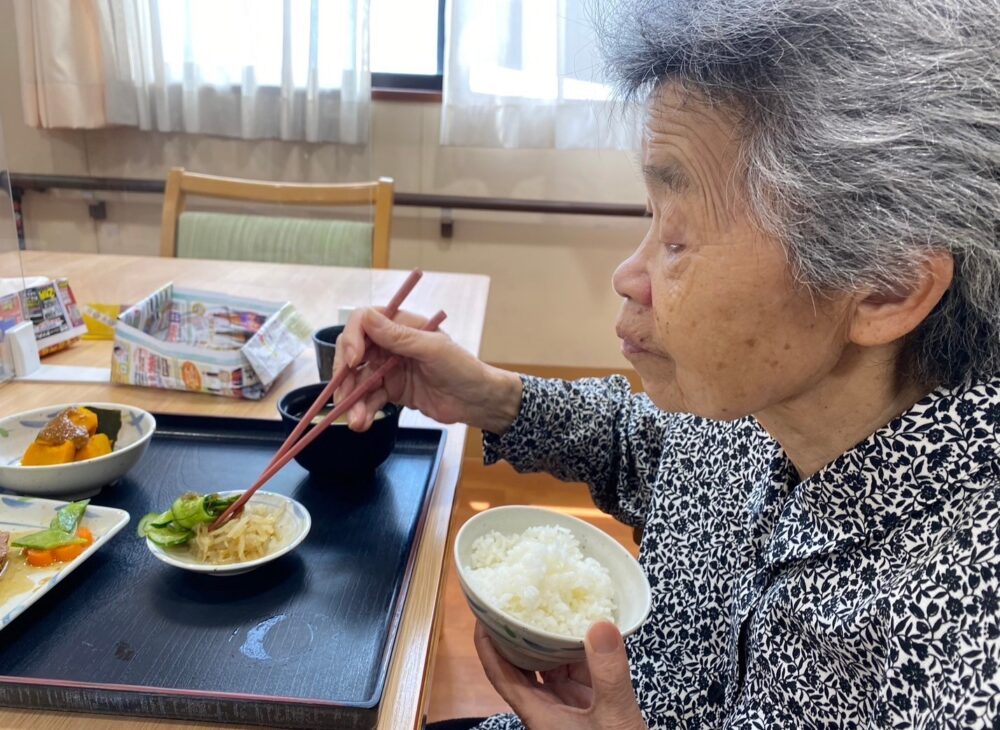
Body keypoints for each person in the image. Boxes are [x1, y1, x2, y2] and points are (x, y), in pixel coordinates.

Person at [333, 0, 1000, 726]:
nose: (629, 273)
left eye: (677, 239)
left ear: (886, 286)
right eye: (649, 219)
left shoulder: (962, 648)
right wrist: (492, 398)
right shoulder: (754, 400)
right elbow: (649, 446)